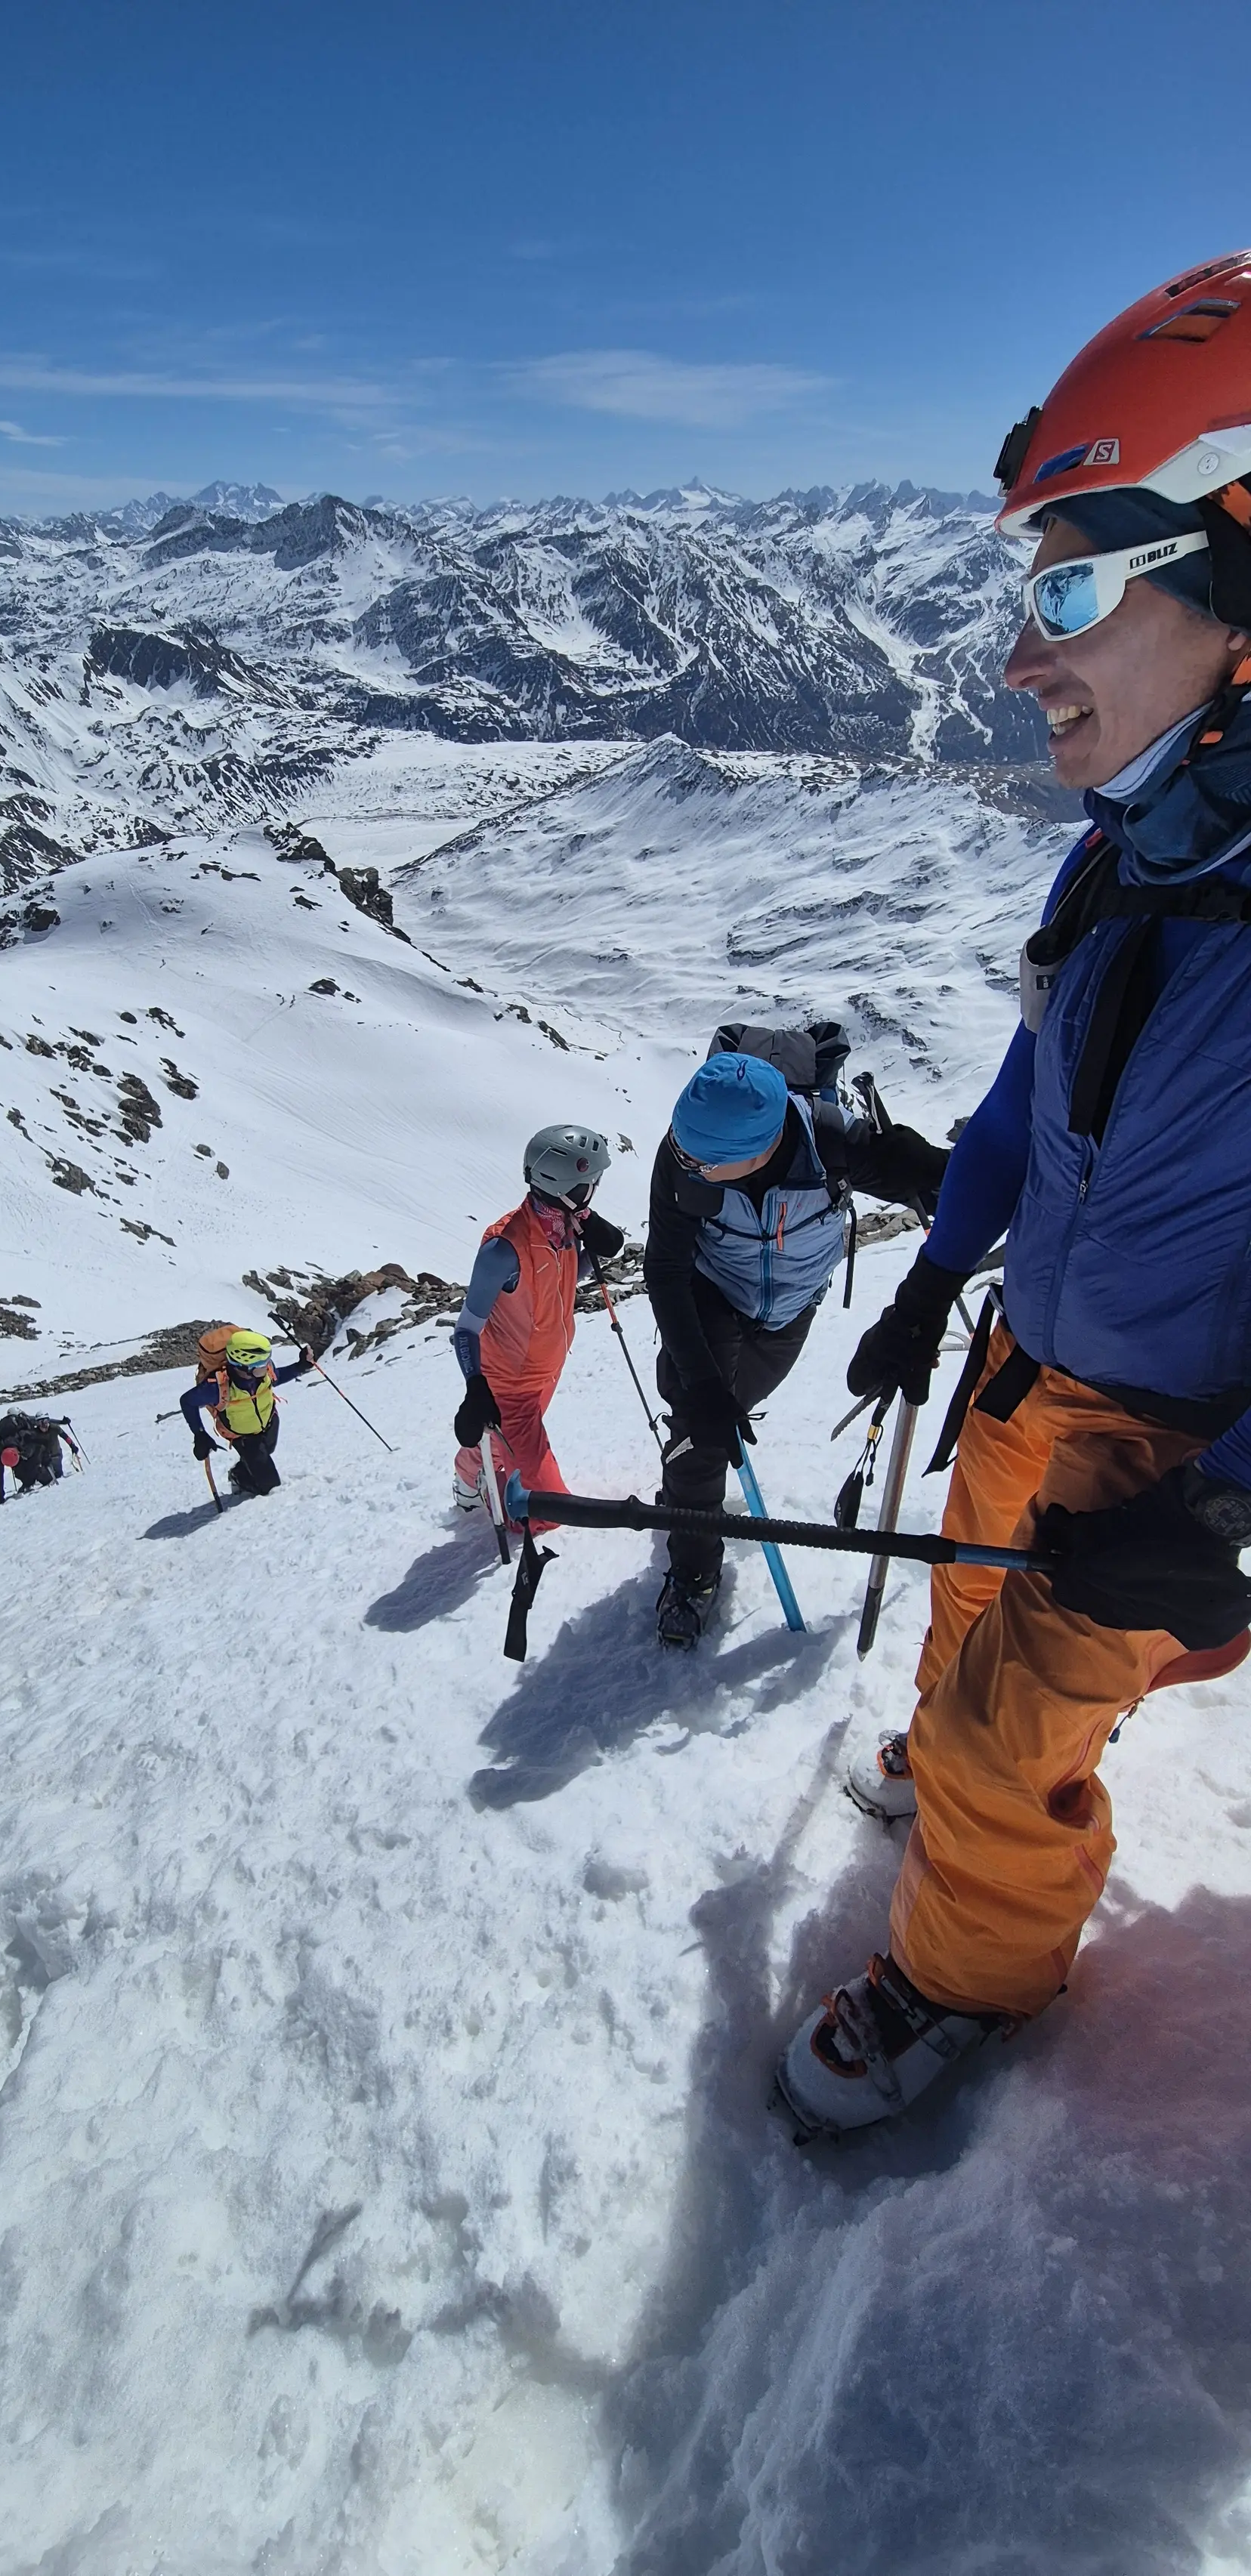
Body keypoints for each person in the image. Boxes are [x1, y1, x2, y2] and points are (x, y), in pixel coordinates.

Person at [777, 252, 1251, 2139]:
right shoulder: (1128, 861)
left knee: (1002, 1723)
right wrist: (932, 1279)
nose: (1010, 653)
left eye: (1067, 587)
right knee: (964, 1622)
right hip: (1026, 1367)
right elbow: (1017, 1105)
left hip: (1165, 1443)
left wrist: (1223, 1501)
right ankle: (956, 1766)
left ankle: (962, 1974)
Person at [644, 1036, 949, 1645]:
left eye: (707, 1164)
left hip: (789, 1312)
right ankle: (694, 1569)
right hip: (713, 1292)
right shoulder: (682, 1158)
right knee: (699, 1427)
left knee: (730, 1412)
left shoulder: (832, 1142)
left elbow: (946, 1180)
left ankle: (691, 1476)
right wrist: (702, 1388)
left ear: (761, 1151)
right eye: (684, 1151)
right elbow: (667, 1270)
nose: (689, 1167)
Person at [452, 1124, 622, 1526]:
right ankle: (478, 1487)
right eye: (589, 1183)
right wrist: (476, 1390)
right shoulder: (503, 1250)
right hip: (508, 1386)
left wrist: (588, 1252)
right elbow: (465, 1328)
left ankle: (470, 1468)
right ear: (564, 1186)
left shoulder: (565, 1224)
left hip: (545, 1371)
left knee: (502, 1442)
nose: (594, 1189)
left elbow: (557, 1278)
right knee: (544, 1511)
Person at [181, 1327, 311, 1498]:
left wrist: (301, 1366)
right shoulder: (216, 1387)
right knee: (271, 1487)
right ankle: (240, 1477)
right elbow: (187, 1402)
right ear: (244, 1367)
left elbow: (277, 1376)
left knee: (267, 1450)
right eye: (261, 1364)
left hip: (269, 1421)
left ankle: (244, 1468)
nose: (267, 1367)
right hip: (243, 1437)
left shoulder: (263, 1372)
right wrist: (199, 1434)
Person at [0, 1410, 78, 1502]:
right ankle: (31, 1480)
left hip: (51, 1455)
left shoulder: (3, 1445)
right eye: (41, 1423)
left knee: (55, 1473)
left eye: (46, 1422)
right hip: (35, 1455)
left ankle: (30, 1481)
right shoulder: (24, 1432)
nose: (44, 1425)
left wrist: (0, 1495)